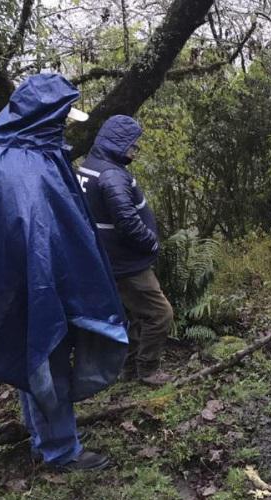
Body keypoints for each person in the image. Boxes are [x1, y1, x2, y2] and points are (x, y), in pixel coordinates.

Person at [0, 74, 130, 471]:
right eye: (63, 117)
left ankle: (44, 437)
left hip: (5, 278)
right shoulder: (26, 165)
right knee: (45, 351)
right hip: (31, 281)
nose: (65, 126)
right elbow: (36, 230)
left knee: (32, 353)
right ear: (45, 116)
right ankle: (61, 450)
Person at [78, 115, 174, 386]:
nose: (135, 150)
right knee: (160, 313)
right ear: (117, 143)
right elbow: (127, 221)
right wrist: (151, 242)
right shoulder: (111, 175)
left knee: (132, 313)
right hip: (127, 263)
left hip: (107, 259)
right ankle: (148, 369)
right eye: (132, 144)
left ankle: (129, 368)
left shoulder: (88, 167)